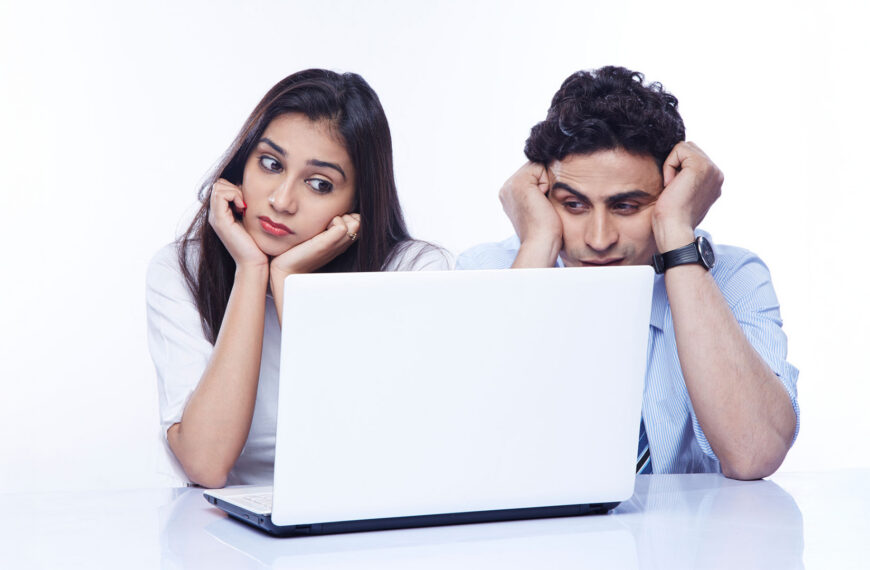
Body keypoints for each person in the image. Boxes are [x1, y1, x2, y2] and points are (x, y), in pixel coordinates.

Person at [456, 66, 798, 480]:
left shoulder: (733, 277)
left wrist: (676, 234)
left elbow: (753, 453)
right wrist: (538, 245)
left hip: (691, 542)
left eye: (626, 207)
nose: (600, 239)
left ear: (671, 196)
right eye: (574, 205)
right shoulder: (491, 273)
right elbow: (472, 449)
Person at [146, 69, 449, 488]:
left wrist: (288, 281)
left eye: (319, 184)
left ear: (358, 202)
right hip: (229, 534)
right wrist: (252, 271)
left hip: (368, 517)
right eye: (270, 164)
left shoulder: (412, 270)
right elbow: (206, 464)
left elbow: (371, 454)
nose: (281, 200)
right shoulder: (181, 270)